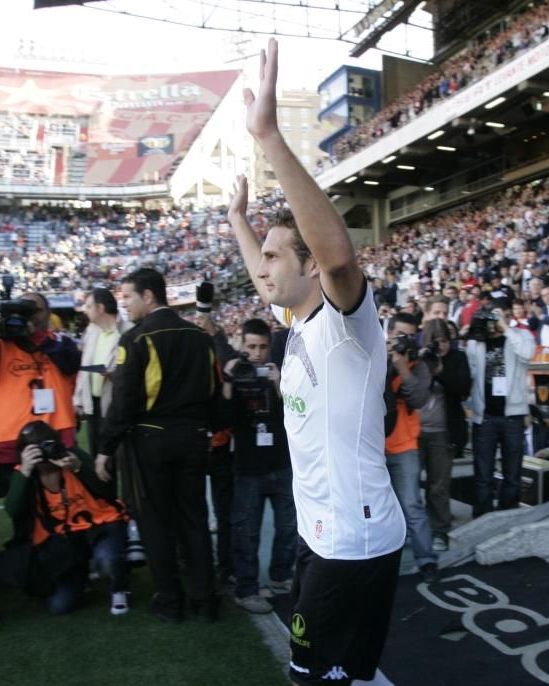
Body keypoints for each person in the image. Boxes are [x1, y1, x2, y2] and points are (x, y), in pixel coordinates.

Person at [238, 39, 406, 685]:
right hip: (327, 535)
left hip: (352, 545)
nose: (263, 267)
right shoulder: (296, 320)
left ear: (308, 265)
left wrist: (272, 140)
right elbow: (267, 281)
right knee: (353, 675)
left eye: (278, 255)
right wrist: (238, 220)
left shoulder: (345, 322)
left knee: (309, 675)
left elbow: (337, 256)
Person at [97, 268, 220, 624]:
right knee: (194, 520)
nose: (125, 306)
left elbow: (123, 402)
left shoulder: (136, 339)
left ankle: (169, 601)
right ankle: (205, 602)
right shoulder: (200, 337)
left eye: (129, 298)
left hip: (151, 442)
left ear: (149, 297)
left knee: (155, 523)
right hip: (195, 439)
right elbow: (212, 391)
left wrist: (106, 447)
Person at [6, 421, 130, 616]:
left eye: (47, 445)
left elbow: (109, 490)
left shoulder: (72, 457)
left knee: (107, 561)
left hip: (98, 526)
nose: (45, 453)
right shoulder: (23, 473)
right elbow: (13, 510)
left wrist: (79, 468)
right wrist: (25, 472)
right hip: (64, 542)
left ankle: (118, 585)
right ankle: (81, 576)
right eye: (36, 449)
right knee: (59, 606)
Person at [0, 293, 80, 497]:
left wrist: (36, 336)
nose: (31, 316)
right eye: (23, 311)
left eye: (36, 310)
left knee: (65, 500)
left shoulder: (60, 343)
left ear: (48, 314)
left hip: (58, 435)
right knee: (21, 508)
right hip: (12, 441)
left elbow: (71, 363)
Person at [218, 317, 296, 615]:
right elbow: (223, 420)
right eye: (251, 346)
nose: (257, 353)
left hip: (282, 462)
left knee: (288, 526)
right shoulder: (236, 373)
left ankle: (280, 576)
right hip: (248, 467)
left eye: (263, 347)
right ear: (241, 343)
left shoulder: (281, 373)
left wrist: (279, 385)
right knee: (246, 532)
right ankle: (247, 589)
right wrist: (228, 381)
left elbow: (297, 416)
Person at [465, 302, 536, 516]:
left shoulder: (521, 336)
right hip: (484, 417)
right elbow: (469, 374)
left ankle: (508, 517)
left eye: (499, 316)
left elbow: (528, 354)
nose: (494, 322)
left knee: (512, 474)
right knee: (483, 476)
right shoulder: (476, 342)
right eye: (492, 317)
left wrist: (506, 328)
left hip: (512, 416)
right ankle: (482, 520)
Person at [384, 313, 438, 582]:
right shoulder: (373, 357)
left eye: (410, 335)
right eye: (400, 335)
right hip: (371, 446)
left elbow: (418, 399)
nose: (405, 340)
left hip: (404, 446)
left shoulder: (418, 365)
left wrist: (402, 366)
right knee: (375, 509)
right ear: (389, 333)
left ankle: (426, 559)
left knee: (411, 505)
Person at [418, 318, 471, 551]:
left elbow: (463, 389)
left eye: (444, 341)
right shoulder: (416, 358)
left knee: (439, 486)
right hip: (414, 432)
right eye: (435, 341)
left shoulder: (458, 358)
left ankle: (440, 531)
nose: (440, 346)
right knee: (408, 485)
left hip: (443, 432)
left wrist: (440, 371)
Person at [73, 288, 132, 459]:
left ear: (100, 308)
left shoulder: (128, 331)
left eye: (89, 306)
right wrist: (78, 399)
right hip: (93, 407)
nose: (85, 310)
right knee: (96, 457)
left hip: (116, 406)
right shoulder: (91, 331)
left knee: (117, 459)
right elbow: (84, 367)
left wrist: (116, 375)